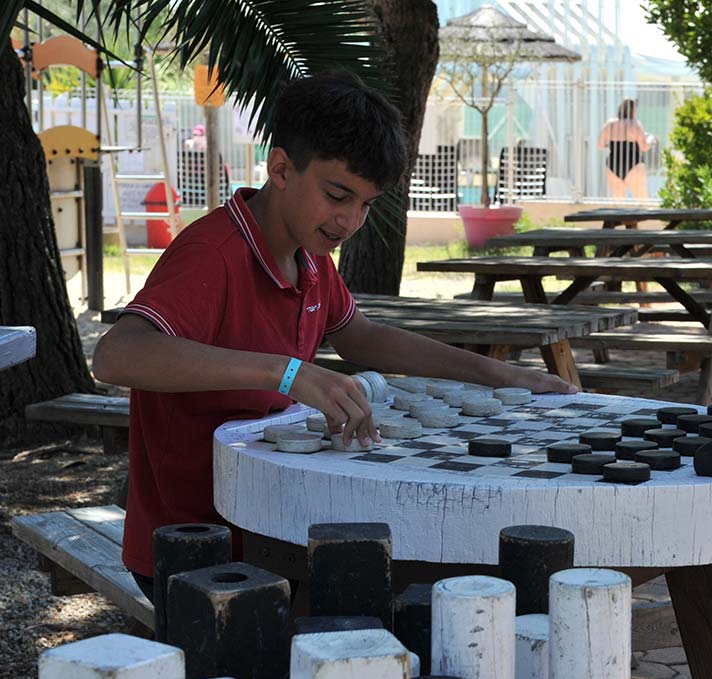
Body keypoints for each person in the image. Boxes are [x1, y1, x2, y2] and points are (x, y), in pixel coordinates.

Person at [93, 72, 575, 595]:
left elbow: (361, 337)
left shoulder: (311, 256)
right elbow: (117, 356)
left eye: (366, 204)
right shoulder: (213, 254)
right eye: (337, 194)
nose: (349, 220)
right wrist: (285, 373)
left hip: (276, 525)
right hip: (197, 548)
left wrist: (497, 372)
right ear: (280, 167)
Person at [598, 99, 653, 200]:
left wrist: (612, 144)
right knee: (642, 200)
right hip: (633, 163)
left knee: (619, 202)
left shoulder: (609, 124)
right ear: (633, 111)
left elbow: (600, 145)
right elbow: (644, 147)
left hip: (613, 165)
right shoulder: (635, 124)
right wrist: (650, 139)